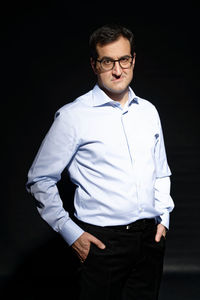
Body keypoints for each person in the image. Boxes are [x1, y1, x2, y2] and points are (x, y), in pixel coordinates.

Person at [26, 24, 174, 300]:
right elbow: (39, 180)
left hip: (149, 241)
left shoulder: (149, 112)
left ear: (133, 60)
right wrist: (72, 234)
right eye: (108, 61)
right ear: (95, 65)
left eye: (124, 60)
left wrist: (162, 220)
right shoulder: (73, 116)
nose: (117, 70)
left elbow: (161, 172)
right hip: (102, 245)